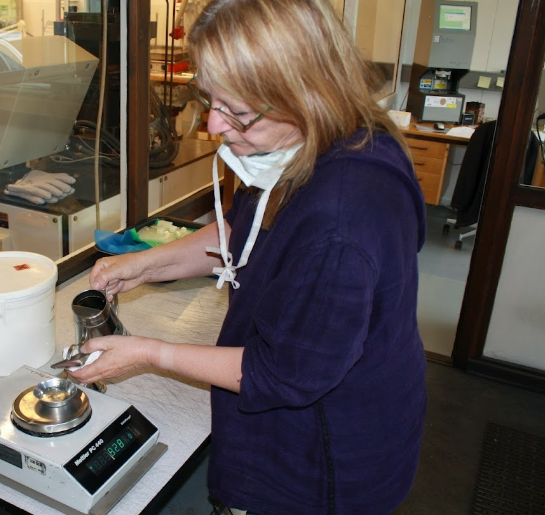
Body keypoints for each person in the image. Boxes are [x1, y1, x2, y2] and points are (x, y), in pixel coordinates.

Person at [69, 0, 427, 513]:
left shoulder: (341, 220)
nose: (214, 124)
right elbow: (248, 229)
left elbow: (282, 373)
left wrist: (149, 353)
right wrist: (145, 264)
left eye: (236, 111)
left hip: (326, 455)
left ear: (305, 92)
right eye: (209, 97)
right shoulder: (312, 141)